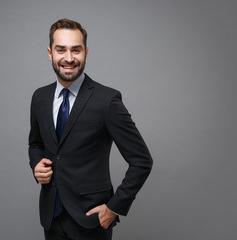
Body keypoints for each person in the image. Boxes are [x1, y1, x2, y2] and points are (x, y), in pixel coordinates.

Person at [29, 18, 153, 240]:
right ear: (50, 53)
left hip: (91, 221)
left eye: (76, 50)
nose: (69, 58)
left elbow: (142, 161)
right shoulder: (40, 97)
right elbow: (36, 144)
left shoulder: (107, 101)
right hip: (51, 216)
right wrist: (36, 164)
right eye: (61, 50)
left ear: (86, 52)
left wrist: (114, 208)